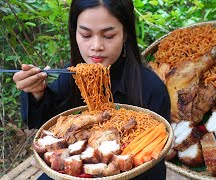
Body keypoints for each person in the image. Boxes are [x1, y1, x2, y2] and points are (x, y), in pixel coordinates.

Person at [13, 0, 170, 179]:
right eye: (86, 35)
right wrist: (37, 93)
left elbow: (153, 161)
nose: (96, 46)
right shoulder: (72, 75)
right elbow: (44, 124)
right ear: (75, 34)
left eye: (108, 36)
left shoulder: (152, 88)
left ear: (125, 34)